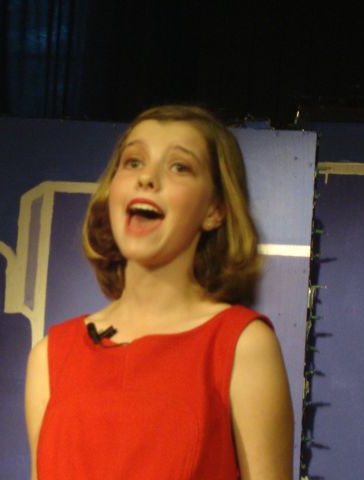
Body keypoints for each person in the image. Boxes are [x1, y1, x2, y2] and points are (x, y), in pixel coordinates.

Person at [24, 105, 293, 479]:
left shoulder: (242, 346)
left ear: (214, 210)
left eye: (179, 167)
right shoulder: (51, 356)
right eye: (133, 162)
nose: (147, 178)